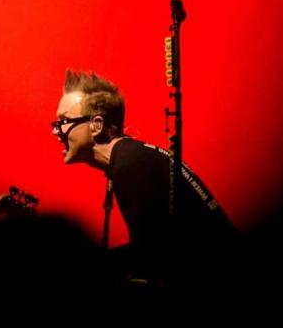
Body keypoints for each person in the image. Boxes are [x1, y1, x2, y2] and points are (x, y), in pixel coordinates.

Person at [52, 69, 236, 284]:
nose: (56, 131)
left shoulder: (129, 164)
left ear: (96, 125)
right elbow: (153, 247)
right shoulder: (130, 156)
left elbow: (151, 258)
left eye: (64, 122)